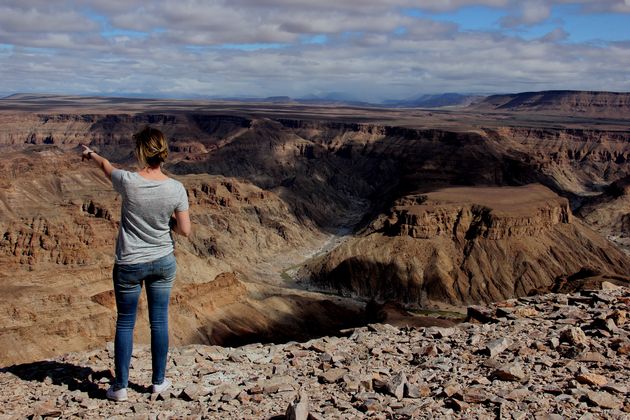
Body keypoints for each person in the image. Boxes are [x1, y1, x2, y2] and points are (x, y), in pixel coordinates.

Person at [81, 126, 191, 402]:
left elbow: (107, 167)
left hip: (130, 263)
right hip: (162, 261)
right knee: (159, 322)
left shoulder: (128, 181)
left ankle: (120, 387)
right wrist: (167, 222)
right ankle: (158, 382)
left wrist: (91, 154)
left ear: (141, 152)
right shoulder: (176, 188)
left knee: (126, 323)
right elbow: (185, 230)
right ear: (163, 152)